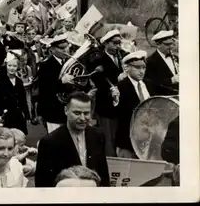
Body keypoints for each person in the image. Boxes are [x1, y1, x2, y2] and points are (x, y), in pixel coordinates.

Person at [35, 91, 110, 187]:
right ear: (66, 110)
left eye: (86, 113)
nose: (82, 118)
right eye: (77, 113)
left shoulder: (98, 136)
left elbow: (103, 173)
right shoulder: (49, 142)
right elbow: (42, 184)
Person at [92, 29, 125, 157]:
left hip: (120, 104)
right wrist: (114, 85)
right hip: (106, 105)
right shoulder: (99, 60)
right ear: (106, 43)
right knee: (108, 138)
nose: (118, 46)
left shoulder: (122, 55)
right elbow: (98, 81)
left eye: (119, 43)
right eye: (115, 43)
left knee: (118, 135)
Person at [115, 51, 152, 159]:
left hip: (147, 140)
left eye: (144, 68)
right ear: (127, 68)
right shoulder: (121, 87)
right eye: (137, 67)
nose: (141, 71)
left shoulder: (148, 84)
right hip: (128, 142)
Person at [37, 34, 71, 133]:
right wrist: (61, 82)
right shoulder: (45, 66)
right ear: (52, 50)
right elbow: (45, 90)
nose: (66, 50)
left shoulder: (68, 63)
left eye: (67, 47)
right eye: (61, 48)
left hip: (67, 110)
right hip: (53, 111)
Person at [0, 52, 29, 134]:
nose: (12, 68)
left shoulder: (19, 81)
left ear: (17, 67)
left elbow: (23, 99)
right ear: (6, 66)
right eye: (9, 66)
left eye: (14, 66)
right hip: (6, 115)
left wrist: (26, 114)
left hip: (18, 114)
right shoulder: (1, 81)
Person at [145, 30, 179, 96]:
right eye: (167, 44)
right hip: (163, 99)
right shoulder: (150, 62)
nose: (171, 47)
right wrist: (171, 81)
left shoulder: (176, 58)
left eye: (171, 44)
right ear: (158, 44)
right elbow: (150, 85)